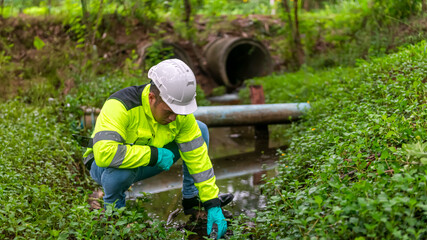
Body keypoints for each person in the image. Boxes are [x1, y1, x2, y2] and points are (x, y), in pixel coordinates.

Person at [82, 59, 232, 239]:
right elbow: (105, 154)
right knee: (121, 172)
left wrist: (212, 203)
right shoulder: (120, 105)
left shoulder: (179, 114)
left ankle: (193, 199)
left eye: (178, 112)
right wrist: (153, 155)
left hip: (148, 158)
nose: (174, 118)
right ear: (151, 98)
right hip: (102, 165)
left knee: (200, 129)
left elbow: (198, 158)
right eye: (169, 112)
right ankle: (114, 213)